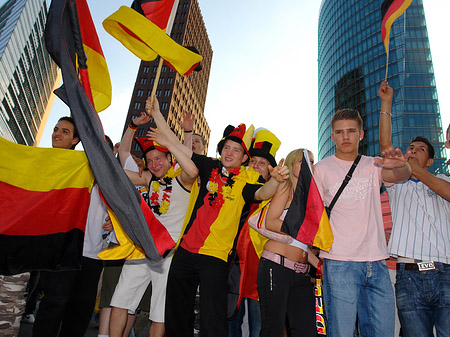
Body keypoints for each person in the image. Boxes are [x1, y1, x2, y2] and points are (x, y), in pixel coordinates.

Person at [144, 97, 289, 337]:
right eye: (227, 148)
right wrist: (158, 115)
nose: (230, 153)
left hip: (216, 258)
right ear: (221, 150)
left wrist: (277, 179)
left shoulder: (246, 181)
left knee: (212, 321)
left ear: (244, 158)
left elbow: (263, 192)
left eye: (237, 150)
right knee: (177, 315)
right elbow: (181, 149)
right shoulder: (208, 166)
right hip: (185, 252)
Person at [313, 106, 411, 336]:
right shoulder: (321, 169)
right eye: (339, 132)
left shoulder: (374, 164)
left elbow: (400, 176)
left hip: (377, 261)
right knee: (342, 332)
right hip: (339, 262)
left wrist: (402, 164)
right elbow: (312, 214)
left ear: (361, 134)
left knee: (383, 331)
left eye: (351, 131)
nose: (345, 136)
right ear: (332, 136)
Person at [108, 109, 198, 337]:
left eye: (159, 158)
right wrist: (130, 128)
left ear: (170, 159)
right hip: (142, 250)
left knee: (159, 313)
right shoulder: (148, 178)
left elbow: (189, 161)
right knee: (120, 301)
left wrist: (187, 131)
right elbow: (119, 169)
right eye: (149, 160)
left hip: (169, 254)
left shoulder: (183, 179)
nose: (154, 164)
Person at [379, 80, 450, 336]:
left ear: (430, 160)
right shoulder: (397, 184)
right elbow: (386, 147)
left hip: (445, 272)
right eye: (410, 148)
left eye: (420, 150)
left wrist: (417, 171)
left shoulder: (444, 180)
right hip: (408, 276)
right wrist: (386, 104)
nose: (412, 151)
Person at [228, 128, 281, 337]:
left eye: (262, 163)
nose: (256, 166)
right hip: (233, 266)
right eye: (253, 161)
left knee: (259, 327)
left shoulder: (277, 194)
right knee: (231, 320)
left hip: (262, 267)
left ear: (270, 170)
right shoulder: (235, 187)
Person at [258, 149, 316, 337]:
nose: (309, 164)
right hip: (276, 266)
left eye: (312, 161)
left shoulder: (312, 196)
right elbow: (271, 221)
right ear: (291, 164)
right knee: (273, 329)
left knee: (307, 330)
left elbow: (303, 244)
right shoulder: (286, 187)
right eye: (303, 161)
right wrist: (300, 229)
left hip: (302, 273)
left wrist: (321, 264)